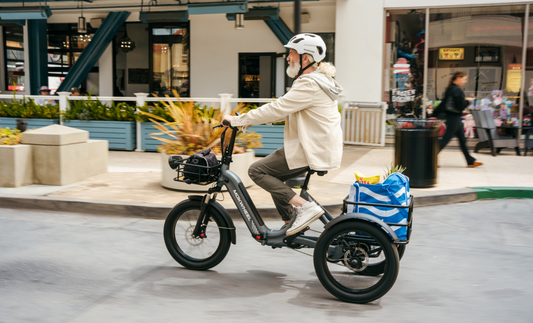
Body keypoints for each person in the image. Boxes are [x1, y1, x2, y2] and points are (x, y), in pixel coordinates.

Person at [222, 33, 343, 236]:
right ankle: (291, 222)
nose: (288, 58)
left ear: (306, 58)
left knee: (257, 171)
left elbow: (277, 108)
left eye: (292, 53)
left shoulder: (309, 83)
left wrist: (237, 121)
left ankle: (305, 208)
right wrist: (252, 120)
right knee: (275, 176)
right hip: (318, 146)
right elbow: (286, 110)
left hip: (312, 148)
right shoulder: (320, 81)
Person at [433, 71, 482, 168]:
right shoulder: (457, 90)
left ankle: (470, 161)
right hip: (454, 118)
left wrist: (435, 113)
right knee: (445, 139)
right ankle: (429, 159)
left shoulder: (450, 89)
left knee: (462, 140)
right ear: (459, 78)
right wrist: (468, 101)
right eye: (464, 79)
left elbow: (443, 104)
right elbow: (460, 106)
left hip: (452, 117)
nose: (465, 81)